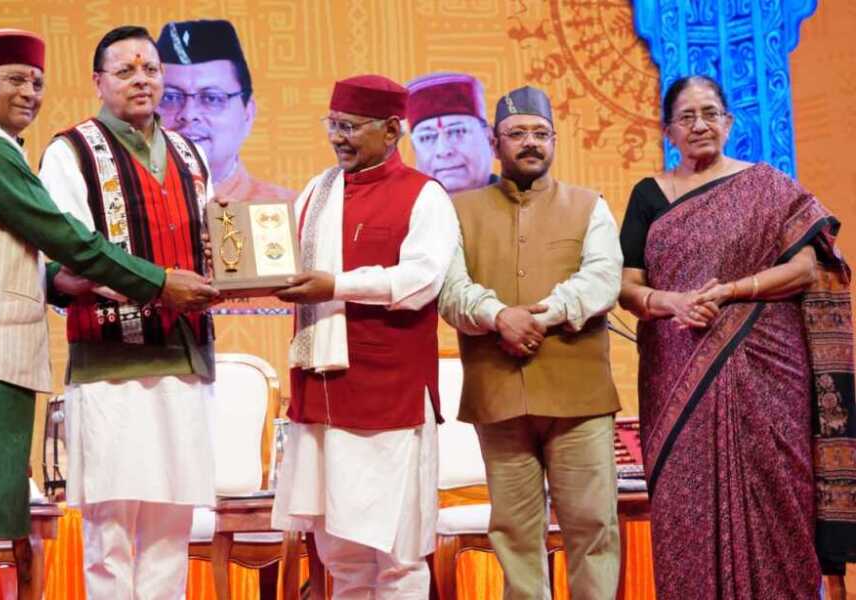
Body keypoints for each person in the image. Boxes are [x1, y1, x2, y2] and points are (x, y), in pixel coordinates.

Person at [0, 29, 208, 600]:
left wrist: (57, 280)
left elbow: (18, 254)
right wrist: (159, 283)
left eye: (36, 82)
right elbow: (67, 237)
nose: (29, 93)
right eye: (14, 79)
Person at [617, 74, 856, 598]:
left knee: (779, 492)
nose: (700, 125)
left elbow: (805, 269)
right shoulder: (648, 196)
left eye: (710, 113)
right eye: (686, 117)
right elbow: (627, 286)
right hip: (677, 373)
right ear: (668, 131)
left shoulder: (768, 186)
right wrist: (674, 302)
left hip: (770, 374)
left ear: (729, 122)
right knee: (684, 506)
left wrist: (731, 290)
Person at [37, 25, 221, 599]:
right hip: (111, 362)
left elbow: (217, 241)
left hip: (184, 358)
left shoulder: (191, 153)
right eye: (125, 71)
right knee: (110, 529)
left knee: (171, 526)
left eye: (151, 69)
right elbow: (69, 255)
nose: (142, 80)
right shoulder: (70, 151)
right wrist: (158, 287)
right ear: (98, 82)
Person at [269, 74, 458, 598]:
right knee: (342, 558)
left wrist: (337, 285)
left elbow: (420, 281)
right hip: (323, 395)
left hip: (390, 398)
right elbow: (279, 258)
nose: (338, 137)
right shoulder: (317, 192)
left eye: (350, 127)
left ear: (392, 130)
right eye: (333, 124)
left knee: (398, 558)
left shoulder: (425, 195)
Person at [439, 85, 623, 599]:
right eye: (517, 133)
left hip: (578, 396)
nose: (530, 143)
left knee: (593, 526)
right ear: (494, 143)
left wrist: (540, 316)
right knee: (515, 534)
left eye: (540, 133)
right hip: (499, 394)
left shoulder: (589, 206)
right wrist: (498, 317)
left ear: (554, 141)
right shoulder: (457, 210)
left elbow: (603, 279)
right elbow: (450, 290)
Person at [156, 19, 293, 201]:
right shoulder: (122, 206)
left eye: (211, 98)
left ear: (248, 114)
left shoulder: (292, 209)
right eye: (170, 97)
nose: (188, 115)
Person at [406, 72, 495, 193]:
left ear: (490, 139)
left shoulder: (518, 203)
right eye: (426, 137)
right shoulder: (400, 205)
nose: (443, 150)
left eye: (457, 131)